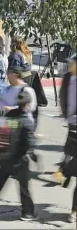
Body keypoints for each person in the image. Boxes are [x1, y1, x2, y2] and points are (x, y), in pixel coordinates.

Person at [0, 91, 37, 224]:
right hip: (19, 160)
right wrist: (34, 156)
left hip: (4, 157)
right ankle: (28, 213)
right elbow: (29, 143)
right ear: (27, 105)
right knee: (24, 187)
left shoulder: (10, 115)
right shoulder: (26, 121)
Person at [56, 54, 76, 223]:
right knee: (69, 152)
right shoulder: (68, 77)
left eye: (72, 64)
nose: (69, 66)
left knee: (71, 156)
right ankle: (65, 172)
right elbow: (63, 94)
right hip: (73, 123)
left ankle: (74, 211)